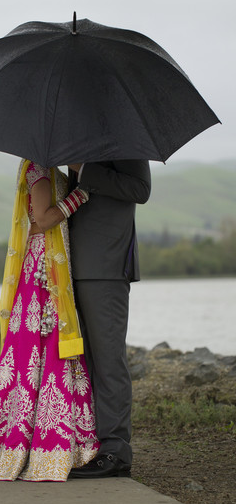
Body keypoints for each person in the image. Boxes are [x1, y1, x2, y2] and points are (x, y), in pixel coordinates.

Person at [0, 159, 100, 482]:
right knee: (41, 351)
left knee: (41, 352)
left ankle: (42, 446)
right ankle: (40, 449)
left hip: (49, 264)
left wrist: (77, 174)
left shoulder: (52, 170)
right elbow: (42, 219)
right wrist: (80, 196)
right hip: (43, 271)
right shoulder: (38, 167)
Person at [67, 160, 151, 478]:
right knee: (85, 362)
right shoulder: (77, 134)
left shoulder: (124, 136)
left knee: (108, 361)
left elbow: (140, 189)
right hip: (72, 263)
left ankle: (115, 451)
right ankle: (90, 446)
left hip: (107, 265)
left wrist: (83, 169)